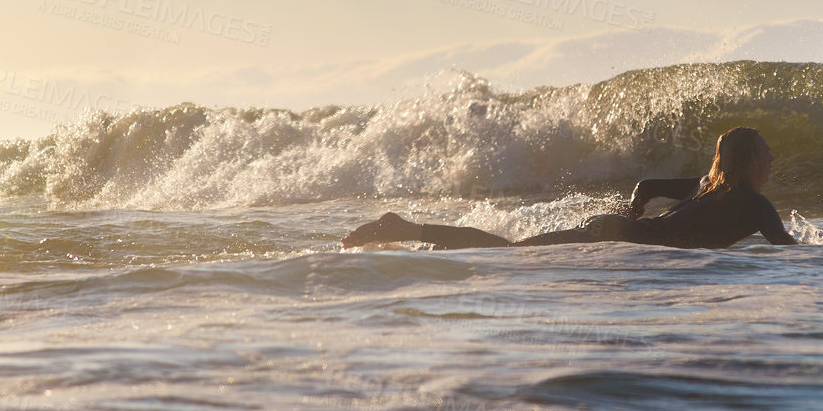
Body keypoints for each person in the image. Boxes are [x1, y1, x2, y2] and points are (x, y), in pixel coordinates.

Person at [341, 127, 798, 250]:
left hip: (614, 232)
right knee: (507, 251)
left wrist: (633, 215)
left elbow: (646, 184)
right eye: (766, 155)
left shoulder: (707, 186)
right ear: (750, 163)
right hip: (619, 240)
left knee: (510, 249)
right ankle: (405, 227)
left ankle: (415, 231)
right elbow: (790, 254)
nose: (773, 161)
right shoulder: (754, 206)